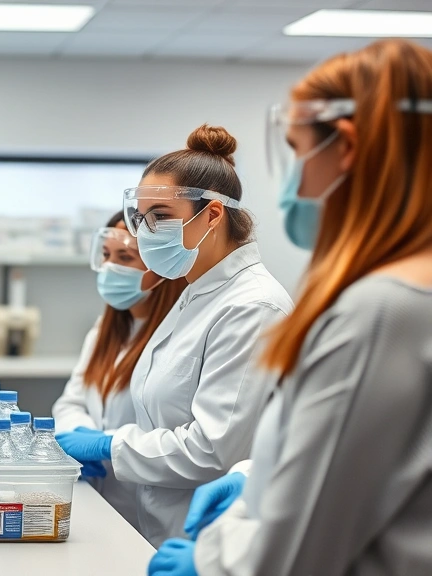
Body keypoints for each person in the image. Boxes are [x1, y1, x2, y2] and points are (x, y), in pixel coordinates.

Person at [149, 39, 432, 576]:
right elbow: (353, 465)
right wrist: (252, 478)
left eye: (298, 150)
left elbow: (297, 549)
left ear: (345, 147)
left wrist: (211, 561)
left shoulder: (382, 311)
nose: (293, 176)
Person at [56, 124, 293, 547]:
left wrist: (110, 446)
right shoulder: (195, 295)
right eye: (141, 217)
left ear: (213, 215)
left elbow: (211, 449)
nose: (145, 232)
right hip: (158, 528)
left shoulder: (252, 306)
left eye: (160, 216)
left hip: (206, 538)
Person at [52, 211, 185, 529]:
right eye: (106, 255)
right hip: (99, 502)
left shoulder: (179, 335)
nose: (110, 267)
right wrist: (81, 433)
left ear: (161, 264)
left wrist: (108, 444)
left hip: (153, 514)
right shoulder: (105, 330)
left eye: (125, 257)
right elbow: (71, 402)